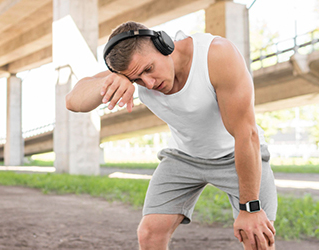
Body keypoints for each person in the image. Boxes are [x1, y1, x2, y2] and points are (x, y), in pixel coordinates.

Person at [65, 21, 278, 250]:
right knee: (149, 234)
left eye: (149, 69)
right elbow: (73, 101)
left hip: (236, 153)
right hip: (183, 156)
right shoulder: (133, 70)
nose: (148, 83)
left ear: (164, 45)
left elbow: (246, 135)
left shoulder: (216, 55)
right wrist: (109, 81)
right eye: (136, 80)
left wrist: (251, 208)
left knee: (257, 238)